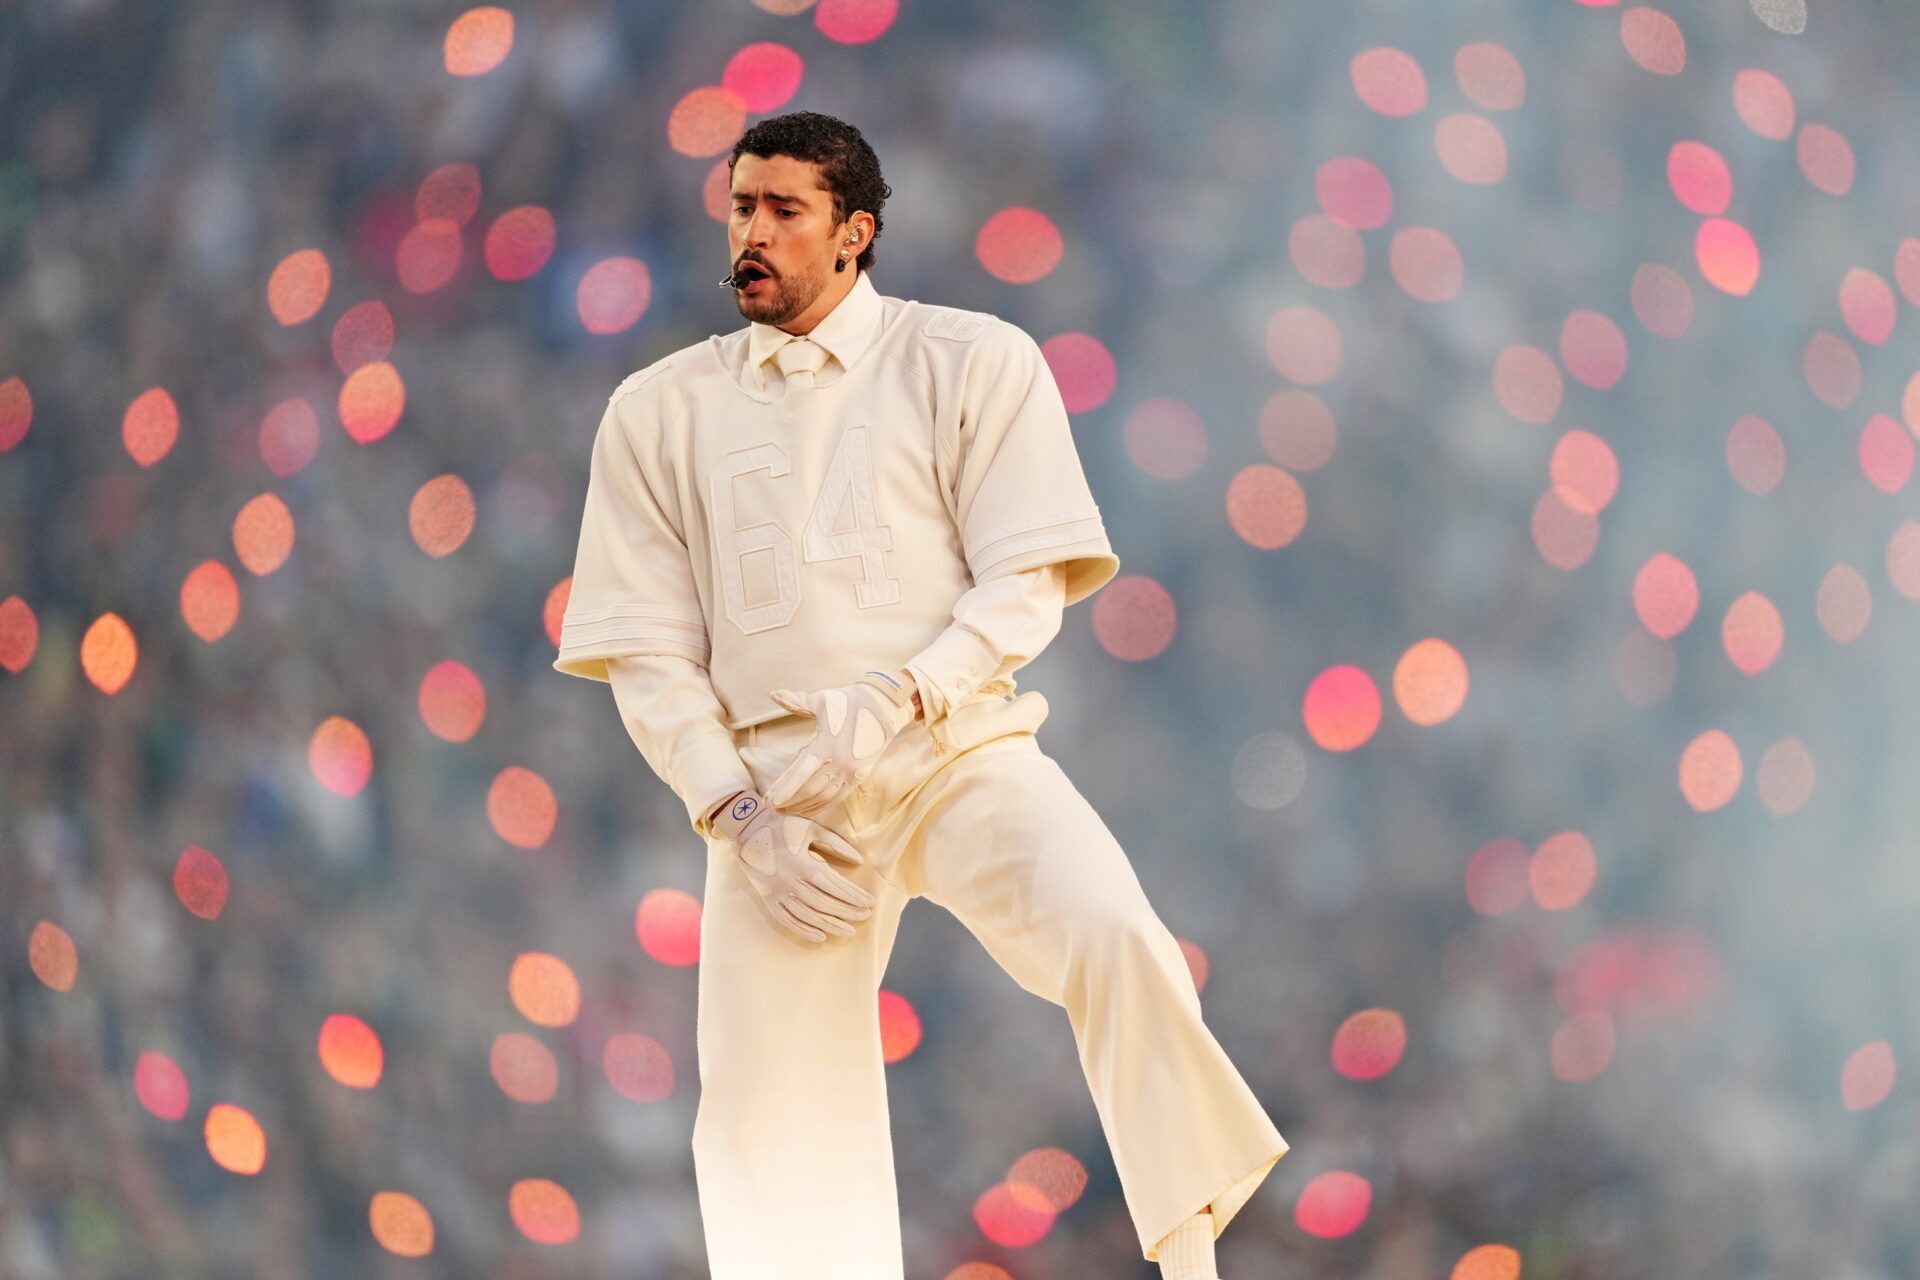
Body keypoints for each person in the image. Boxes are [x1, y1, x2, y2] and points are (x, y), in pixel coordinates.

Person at [553, 110, 1287, 1280]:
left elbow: (1027, 583)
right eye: (741, 206)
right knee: (764, 1118)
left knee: (1116, 932)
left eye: (784, 210)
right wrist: (737, 816)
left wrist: (903, 694)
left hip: (960, 745)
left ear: (855, 233)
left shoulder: (973, 358)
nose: (752, 232)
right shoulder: (657, 409)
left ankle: (1190, 1256)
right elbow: (647, 655)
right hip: (781, 793)